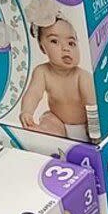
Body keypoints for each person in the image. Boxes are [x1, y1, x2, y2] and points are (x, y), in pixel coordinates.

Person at [19, 9, 96, 139]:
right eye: (55, 41)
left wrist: (95, 129)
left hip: (86, 125)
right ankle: (43, 133)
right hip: (57, 121)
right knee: (48, 118)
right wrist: (26, 112)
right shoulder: (42, 72)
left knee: (96, 124)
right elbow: (33, 93)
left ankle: (94, 135)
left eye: (71, 43)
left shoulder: (82, 76)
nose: (66, 48)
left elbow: (92, 104)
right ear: (42, 47)